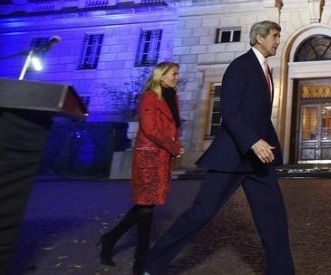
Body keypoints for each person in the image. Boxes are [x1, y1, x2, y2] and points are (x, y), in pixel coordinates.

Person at [139, 21, 294, 275]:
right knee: (201, 213)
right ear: (259, 38)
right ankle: (150, 265)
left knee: (273, 216)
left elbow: (259, 116)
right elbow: (229, 113)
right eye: (275, 36)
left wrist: (264, 144)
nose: (278, 41)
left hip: (259, 159)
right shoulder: (240, 66)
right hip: (232, 156)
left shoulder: (265, 69)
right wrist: (253, 141)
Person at [98, 62, 185, 274]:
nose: (176, 77)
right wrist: (174, 146)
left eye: (177, 74)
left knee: (146, 206)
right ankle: (141, 261)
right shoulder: (149, 96)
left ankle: (109, 239)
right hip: (148, 157)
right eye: (173, 74)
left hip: (162, 156)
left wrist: (175, 147)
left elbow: (172, 127)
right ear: (161, 76)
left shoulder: (173, 97)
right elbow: (150, 128)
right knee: (146, 207)